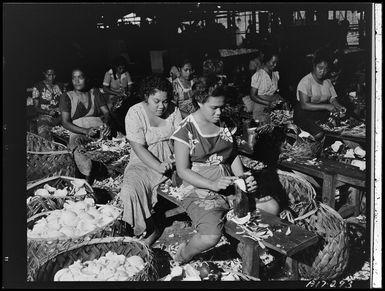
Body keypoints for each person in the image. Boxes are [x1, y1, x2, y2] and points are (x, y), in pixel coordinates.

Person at [170, 78, 280, 264]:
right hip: (199, 187)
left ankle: (253, 249)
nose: (219, 112)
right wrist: (212, 184)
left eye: (222, 106)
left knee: (271, 207)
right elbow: (182, 171)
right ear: (199, 101)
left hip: (227, 181)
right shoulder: (185, 131)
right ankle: (183, 254)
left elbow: (233, 155)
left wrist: (243, 178)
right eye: (214, 107)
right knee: (211, 236)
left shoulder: (225, 124)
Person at [118, 75, 183, 246]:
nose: (162, 106)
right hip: (143, 162)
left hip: (172, 160)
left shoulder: (174, 111)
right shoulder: (135, 113)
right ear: (146, 96)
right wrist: (158, 165)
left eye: (166, 101)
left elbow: (181, 139)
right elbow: (138, 147)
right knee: (130, 190)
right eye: (157, 101)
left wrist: (176, 158)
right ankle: (149, 227)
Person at [60, 67, 112, 181]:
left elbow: (107, 113)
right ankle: (88, 183)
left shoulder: (94, 92)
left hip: (100, 129)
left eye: (80, 77)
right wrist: (85, 131)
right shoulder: (67, 96)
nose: (77, 81)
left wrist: (107, 124)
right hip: (78, 131)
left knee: (120, 145)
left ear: (86, 78)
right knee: (79, 151)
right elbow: (65, 122)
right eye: (74, 78)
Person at [293, 49, 346, 141]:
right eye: (320, 68)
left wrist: (339, 106)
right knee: (319, 133)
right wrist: (326, 106)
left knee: (341, 128)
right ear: (314, 66)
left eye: (326, 69)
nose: (322, 72)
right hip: (304, 116)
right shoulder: (306, 82)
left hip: (319, 115)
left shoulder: (327, 81)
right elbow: (304, 105)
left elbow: (332, 98)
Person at [244, 51, 285, 124]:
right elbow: (252, 96)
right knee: (267, 122)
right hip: (261, 106)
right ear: (266, 61)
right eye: (273, 62)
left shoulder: (275, 74)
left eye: (277, 62)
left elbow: (275, 92)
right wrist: (268, 103)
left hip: (274, 104)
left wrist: (281, 101)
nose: (275, 65)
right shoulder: (258, 75)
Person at [31, 67, 65, 140]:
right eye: (49, 75)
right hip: (45, 116)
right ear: (44, 74)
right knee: (44, 133)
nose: (51, 77)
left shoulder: (61, 85)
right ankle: (48, 149)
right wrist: (48, 112)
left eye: (53, 75)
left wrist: (61, 109)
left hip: (60, 116)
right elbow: (35, 107)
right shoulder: (38, 87)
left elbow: (65, 102)